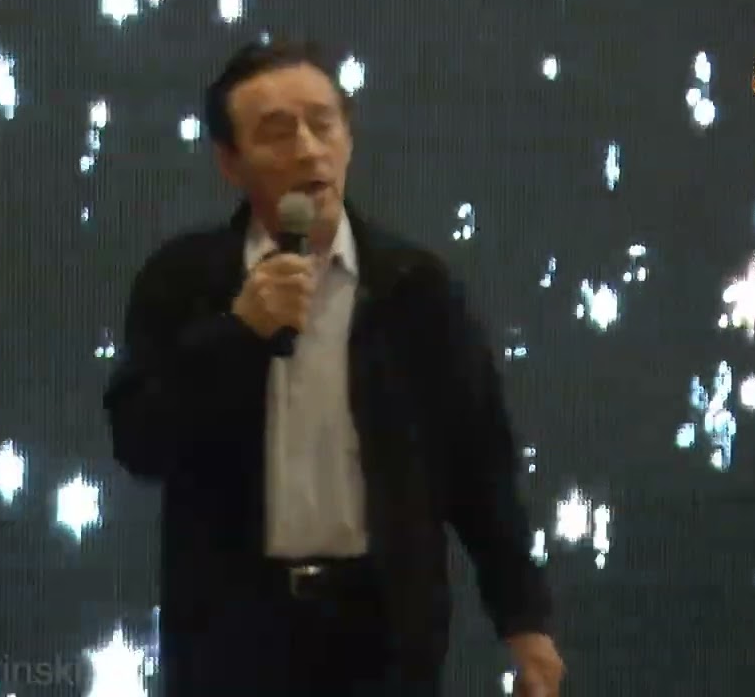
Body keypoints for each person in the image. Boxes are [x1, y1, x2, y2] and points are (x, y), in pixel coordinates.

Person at [102, 39, 565, 697]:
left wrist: (525, 622)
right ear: (230, 163)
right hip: (233, 636)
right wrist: (238, 333)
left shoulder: (414, 286)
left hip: (383, 633)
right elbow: (139, 443)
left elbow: (478, 464)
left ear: (348, 138)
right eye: (276, 132)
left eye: (323, 124)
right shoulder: (184, 282)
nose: (307, 149)